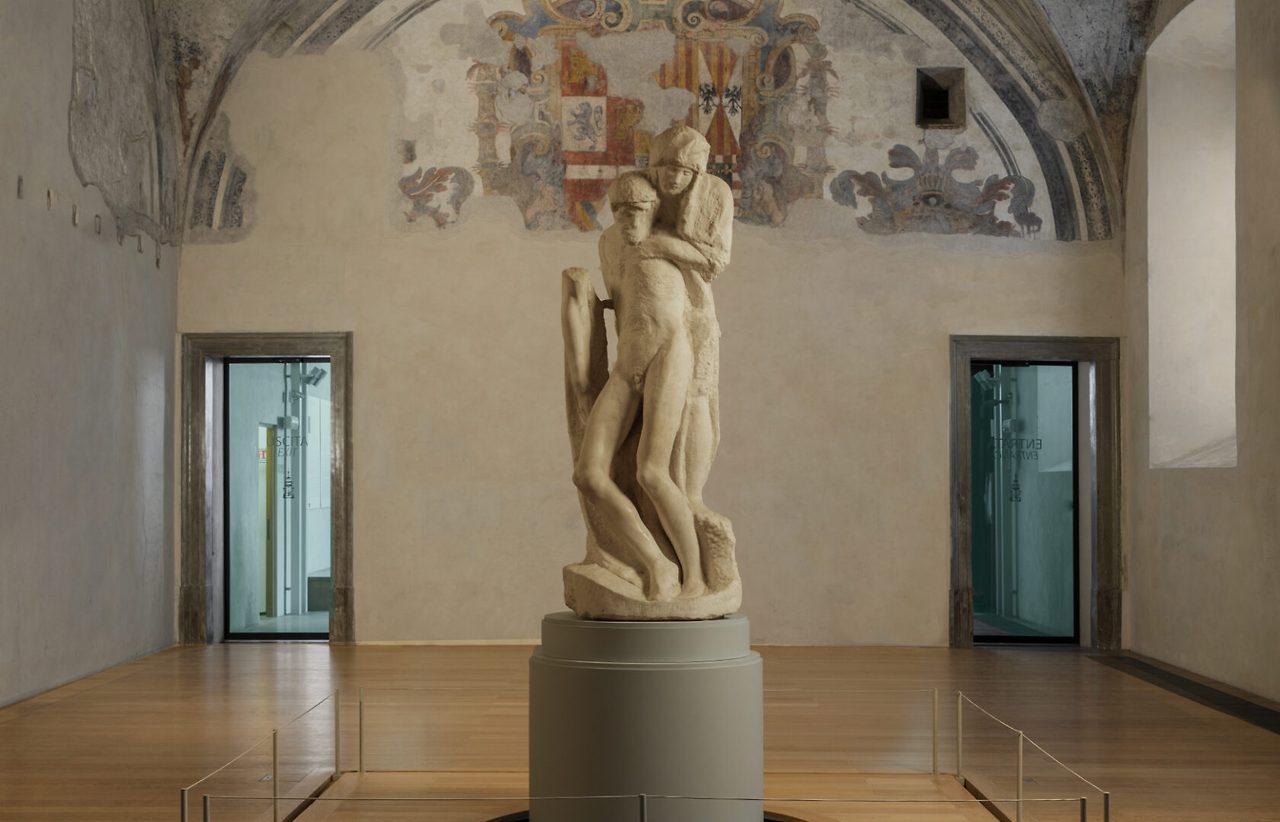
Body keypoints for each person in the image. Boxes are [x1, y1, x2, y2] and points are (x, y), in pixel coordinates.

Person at [571, 172, 706, 601]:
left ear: (654, 210)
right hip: (627, 363)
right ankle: (657, 563)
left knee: (651, 471)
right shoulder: (610, 245)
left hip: (669, 356)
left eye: (638, 210)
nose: (628, 219)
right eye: (620, 211)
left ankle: (696, 577)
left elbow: (711, 264)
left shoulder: (667, 243)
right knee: (588, 475)